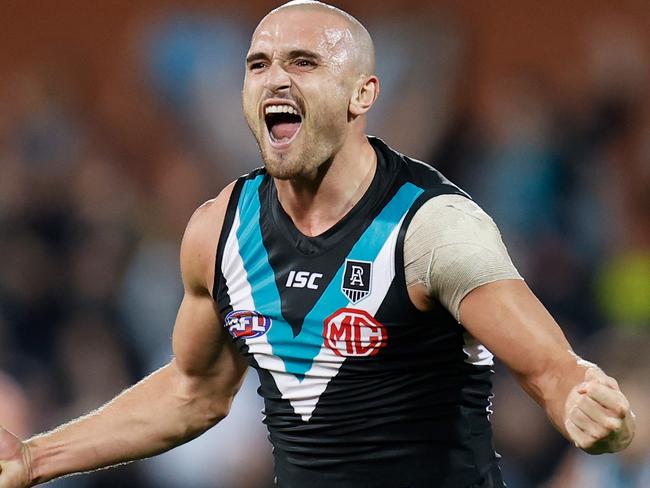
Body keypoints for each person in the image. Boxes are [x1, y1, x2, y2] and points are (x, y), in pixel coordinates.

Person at [0, 1, 636, 487]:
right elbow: (194, 392)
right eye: (259, 65)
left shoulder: (431, 227)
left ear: (363, 94)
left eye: (303, 63)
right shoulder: (217, 230)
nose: (276, 79)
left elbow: (550, 370)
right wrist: (34, 458)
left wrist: (581, 400)